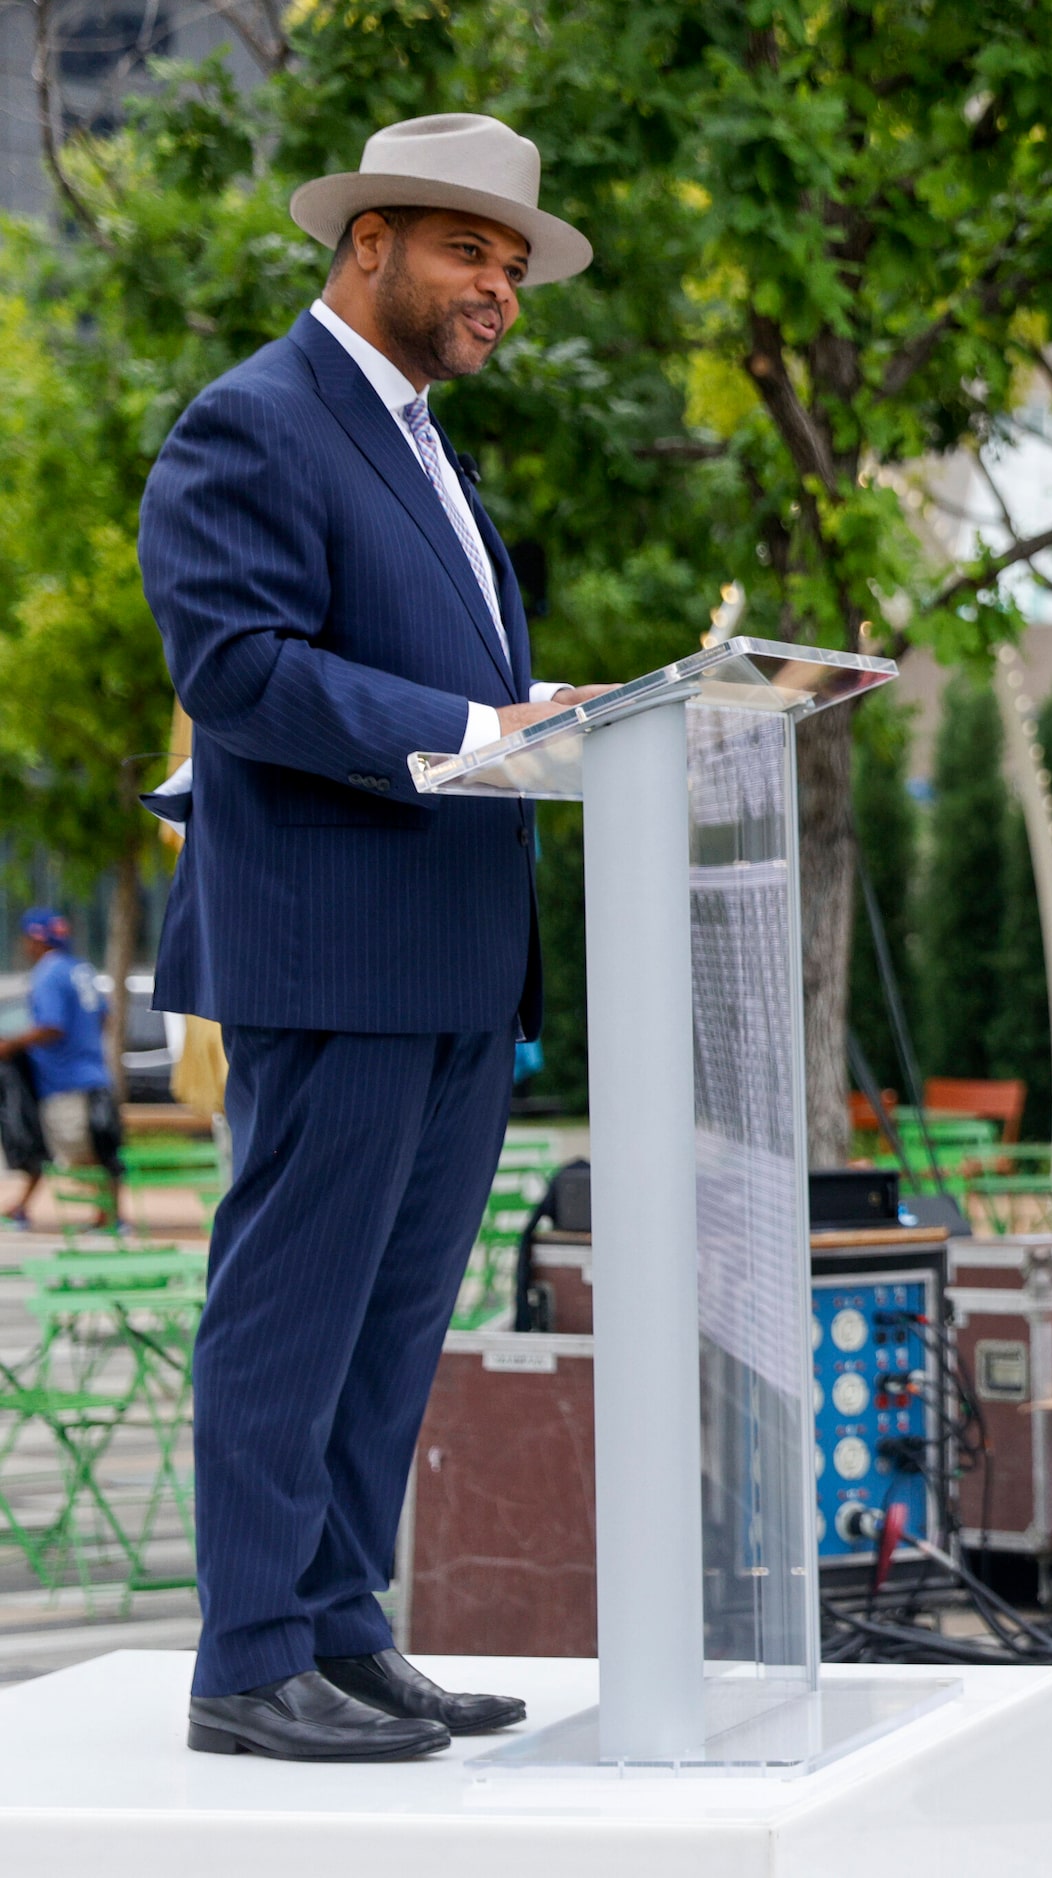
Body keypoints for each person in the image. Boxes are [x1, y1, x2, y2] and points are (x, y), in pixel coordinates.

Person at [138, 113, 606, 1763]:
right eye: (472, 251)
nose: (501, 287)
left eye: (514, 264)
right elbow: (243, 667)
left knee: (389, 1326)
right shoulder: (253, 422)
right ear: (369, 244)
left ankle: (339, 1628)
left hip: (457, 967)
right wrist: (487, 718)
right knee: (290, 1317)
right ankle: (248, 1659)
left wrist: (547, 723)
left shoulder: (427, 450)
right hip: (331, 953)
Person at [0, 910, 123, 1228]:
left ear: (36, 939)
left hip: (65, 1079)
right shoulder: (81, 968)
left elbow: (51, 1026)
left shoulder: (48, 973)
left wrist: (11, 1044)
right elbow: (104, 1018)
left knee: (79, 1151)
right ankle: (28, 1208)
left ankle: (109, 1216)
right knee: (88, 1146)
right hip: (92, 1073)